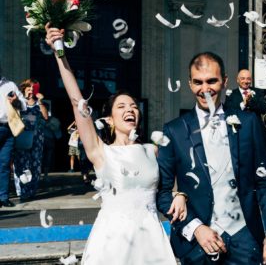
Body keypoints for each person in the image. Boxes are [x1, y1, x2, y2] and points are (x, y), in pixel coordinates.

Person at [45, 24, 186, 264]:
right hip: (112, 242)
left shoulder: (153, 149)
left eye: (133, 106)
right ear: (109, 118)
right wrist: (59, 52)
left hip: (151, 239)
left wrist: (181, 193)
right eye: (121, 106)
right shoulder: (101, 152)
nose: (130, 109)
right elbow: (76, 101)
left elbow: (181, 171)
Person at [157, 52, 266, 265]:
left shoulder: (248, 122)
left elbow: (265, 183)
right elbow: (162, 193)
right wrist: (195, 227)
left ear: (224, 81)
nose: (205, 89)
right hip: (198, 244)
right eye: (198, 82)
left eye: (211, 81)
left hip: (245, 238)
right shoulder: (174, 130)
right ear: (189, 84)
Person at [13, 79, 47, 202]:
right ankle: (22, 191)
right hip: (22, 136)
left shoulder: (39, 103)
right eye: (29, 87)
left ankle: (32, 190)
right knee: (22, 164)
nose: (31, 90)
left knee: (35, 165)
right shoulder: (19, 101)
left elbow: (46, 117)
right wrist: (22, 100)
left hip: (36, 138)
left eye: (33, 88)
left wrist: (41, 101)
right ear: (24, 88)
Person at [0, 70, 26, 207]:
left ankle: (3, 197)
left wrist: (16, 101)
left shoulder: (10, 85)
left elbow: (24, 104)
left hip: (8, 128)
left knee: (4, 164)